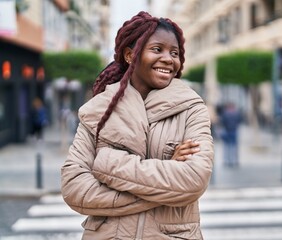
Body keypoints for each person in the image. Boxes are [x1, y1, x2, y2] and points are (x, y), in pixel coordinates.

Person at [61, 11, 214, 239]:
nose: (168, 59)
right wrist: (166, 181)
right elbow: (75, 188)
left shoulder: (192, 109)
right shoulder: (98, 110)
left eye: (175, 53)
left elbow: (194, 179)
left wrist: (107, 165)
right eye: (157, 49)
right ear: (131, 55)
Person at [220, 102, 241, 167]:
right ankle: (234, 160)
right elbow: (239, 121)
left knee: (227, 147)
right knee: (233, 147)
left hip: (227, 131)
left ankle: (227, 160)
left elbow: (222, 122)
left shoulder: (225, 113)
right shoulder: (236, 113)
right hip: (233, 131)